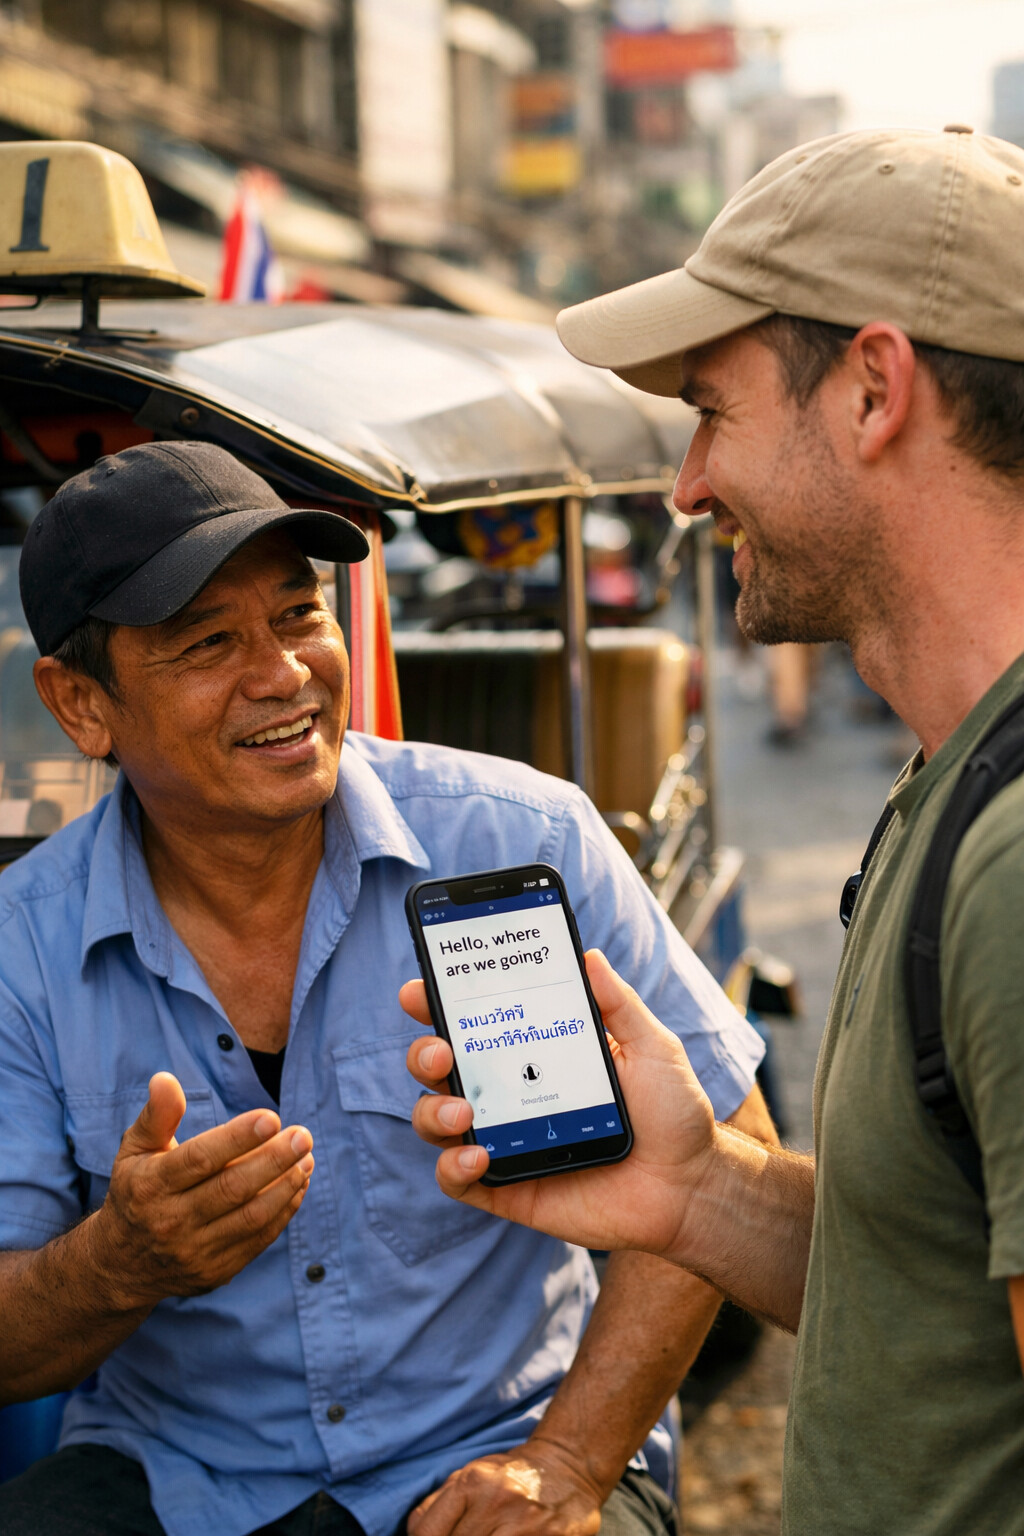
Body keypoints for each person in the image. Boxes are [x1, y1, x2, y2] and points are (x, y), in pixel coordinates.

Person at [403, 126, 1024, 1535]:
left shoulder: (1012, 858)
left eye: (712, 411)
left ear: (874, 390)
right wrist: (696, 1191)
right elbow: (930, 1286)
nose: (686, 484)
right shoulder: (955, 780)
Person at [0, 442, 773, 1536]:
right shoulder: (20, 949)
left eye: (299, 614)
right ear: (82, 705)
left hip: (507, 1442)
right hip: (178, 1480)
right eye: (209, 642)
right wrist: (116, 1265)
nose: (283, 673)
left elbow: (729, 1161)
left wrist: (568, 1461)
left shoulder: (522, 842)